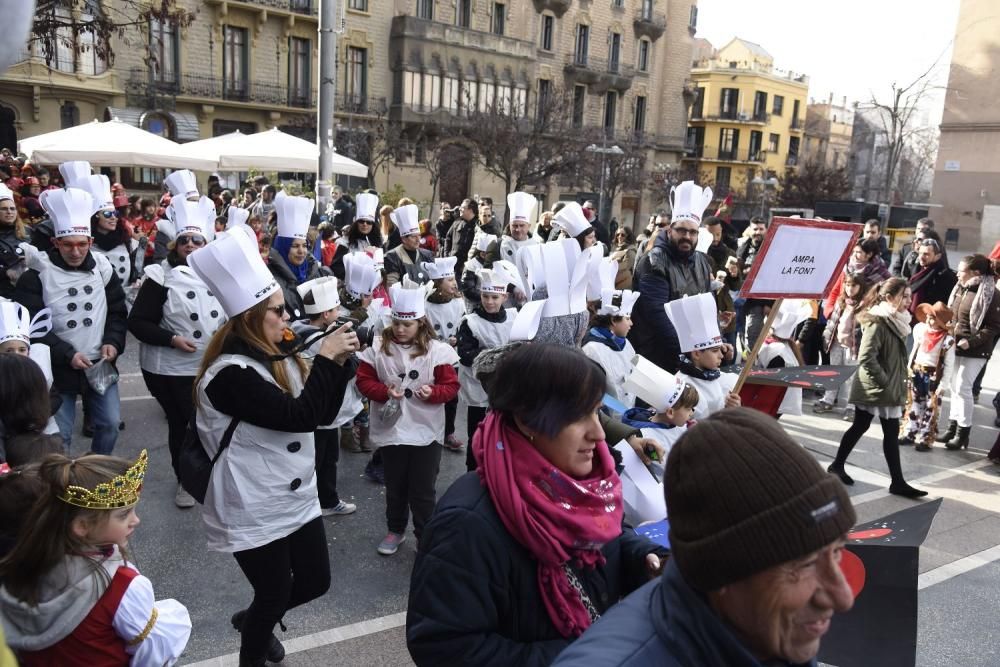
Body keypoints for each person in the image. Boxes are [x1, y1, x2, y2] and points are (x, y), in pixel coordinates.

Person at [406, 343, 668, 666]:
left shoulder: (588, 485)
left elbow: (607, 534)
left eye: (597, 411)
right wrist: (575, 656)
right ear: (527, 420)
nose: (598, 433)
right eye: (577, 415)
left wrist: (642, 558)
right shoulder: (466, 524)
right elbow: (443, 646)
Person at [551, 408, 856, 667]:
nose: (842, 597)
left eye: (837, 551)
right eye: (802, 565)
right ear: (718, 571)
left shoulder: (771, 633)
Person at [188, 226, 359, 666]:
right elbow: (296, 418)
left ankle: (253, 619)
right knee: (274, 591)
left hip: (292, 493)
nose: (287, 320)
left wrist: (340, 364)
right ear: (250, 318)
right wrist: (324, 359)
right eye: (278, 312)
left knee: (315, 581)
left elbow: (320, 415)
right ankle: (255, 644)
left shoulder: (273, 354)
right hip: (251, 498)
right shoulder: (229, 374)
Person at [0, 450, 192, 665]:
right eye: (123, 515)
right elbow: (152, 654)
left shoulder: (22, 563)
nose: (135, 520)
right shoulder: (122, 585)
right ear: (82, 525)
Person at [14, 187, 127, 456]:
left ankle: (94, 470)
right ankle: (64, 487)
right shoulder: (37, 275)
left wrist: (113, 342)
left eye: (81, 244)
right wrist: (66, 353)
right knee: (59, 436)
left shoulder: (102, 267)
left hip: (99, 363)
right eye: (68, 244)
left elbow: (117, 312)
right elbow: (30, 329)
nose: (75, 252)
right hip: (58, 367)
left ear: (89, 241)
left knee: (110, 424)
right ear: (55, 243)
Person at [127, 197, 225, 508]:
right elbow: (139, 323)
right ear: (175, 244)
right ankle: (186, 480)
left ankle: (209, 476)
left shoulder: (217, 273)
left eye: (198, 240)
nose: (191, 245)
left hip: (211, 365)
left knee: (211, 423)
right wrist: (171, 339)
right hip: (170, 368)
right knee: (184, 424)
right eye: (184, 240)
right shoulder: (160, 275)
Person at [356, 283, 460, 556]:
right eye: (397, 323)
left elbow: (451, 387)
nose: (401, 329)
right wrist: (383, 391)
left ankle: (425, 535)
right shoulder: (379, 347)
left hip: (425, 431)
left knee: (423, 489)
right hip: (392, 429)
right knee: (396, 484)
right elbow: (363, 381)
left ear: (420, 323)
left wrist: (433, 392)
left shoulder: (437, 351)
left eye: (408, 324)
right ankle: (396, 529)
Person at [828, 277, 927, 498]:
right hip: (876, 387)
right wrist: (885, 381)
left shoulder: (897, 320)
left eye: (910, 297)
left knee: (875, 429)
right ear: (889, 297)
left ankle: (840, 466)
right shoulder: (877, 321)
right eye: (904, 297)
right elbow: (866, 357)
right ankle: (896, 481)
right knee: (872, 429)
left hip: (886, 387)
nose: (908, 301)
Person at [290, 276, 359, 517]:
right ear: (327, 314)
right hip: (321, 407)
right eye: (336, 308)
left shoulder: (298, 329)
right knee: (320, 460)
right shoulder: (319, 340)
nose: (340, 312)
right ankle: (315, 504)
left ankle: (325, 500)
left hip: (317, 406)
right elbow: (347, 368)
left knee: (325, 457)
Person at [630, 183, 713, 373]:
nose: (687, 236)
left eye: (692, 232)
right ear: (669, 231)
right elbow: (656, 314)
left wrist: (717, 343)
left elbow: (706, 307)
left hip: (690, 356)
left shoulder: (702, 261)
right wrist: (691, 352)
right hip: (655, 356)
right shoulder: (654, 261)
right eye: (681, 230)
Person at [456, 269, 516, 471]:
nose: (489, 302)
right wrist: (499, 358)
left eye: (494, 297)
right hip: (478, 388)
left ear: (504, 297)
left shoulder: (514, 318)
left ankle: (497, 471)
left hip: (506, 386)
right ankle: (472, 471)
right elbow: (466, 354)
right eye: (485, 296)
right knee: (477, 433)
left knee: (503, 433)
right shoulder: (470, 322)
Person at [939, 254, 1000, 450]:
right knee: (955, 387)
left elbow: (993, 326)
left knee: (963, 387)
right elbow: (954, 315)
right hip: (956, 345)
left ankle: (962, 433)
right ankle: (952, 428)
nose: (958, 274)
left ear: (976, 273)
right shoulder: (961, 289)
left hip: (976, 350)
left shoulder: (991, 293)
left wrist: (971, 341)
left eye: (962, 271)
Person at [422, 257, 465, 453]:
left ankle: (449, 432)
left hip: (451, 355)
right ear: (438, 283)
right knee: (430, 391)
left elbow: (464, 325)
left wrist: (458, 337)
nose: (454, 283)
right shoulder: (426, 305)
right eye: (448, 279)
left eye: (453, 278)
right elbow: (423, 329)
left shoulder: (458, 303)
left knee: (451, 395)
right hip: (432, 355)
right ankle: (428, 430)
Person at [620, 356, 698, 459]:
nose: (692, 413)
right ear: (670, 412)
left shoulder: (678, 424)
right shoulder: (647, 438)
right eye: (688, 409)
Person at [815, 272, 870, 418]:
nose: (850, 288)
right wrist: (827, 337)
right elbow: (833, 322)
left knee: (852, 376)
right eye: (848, 285)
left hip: (853, 346)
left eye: (854, 285)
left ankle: (851, 406)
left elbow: (864, 328)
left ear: (861, 287)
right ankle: (828, 400)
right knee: (834, 371)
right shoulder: (841, 301)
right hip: (836, 342)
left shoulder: (864, 304)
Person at [267, 193, 329, 321]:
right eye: (295, 246)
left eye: (304, 245)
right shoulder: (269, 279)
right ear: (283, 247)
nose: (301, 251)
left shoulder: (317, 273)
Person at [903, 301, 956, 451]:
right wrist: (909, 366)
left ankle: (926, 438)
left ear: (940, 322)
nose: (928, 320)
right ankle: (910, 432)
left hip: (933, 376)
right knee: (913, 403)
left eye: (932, 318)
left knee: (930, 408)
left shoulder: (947, 340)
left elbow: (949, 364)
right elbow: (915, 349)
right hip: (917, 371)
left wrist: (943, 385)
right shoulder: (921, 330)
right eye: (928, 316)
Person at [581, 287, 640, 408]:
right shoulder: (592, 350)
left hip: (629, 416)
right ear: (613, 320)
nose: (631, 323)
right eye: (627, 318)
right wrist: (622, 415)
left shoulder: (626, 344)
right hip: (611, 422)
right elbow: (597, 395)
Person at [80, 174, 136, 286]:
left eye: (115, 213)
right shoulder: (85, 243)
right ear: (96, 216)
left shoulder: (126, 240)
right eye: (107, 213)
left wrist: (135, 280)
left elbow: (134, 270)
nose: (113, 217)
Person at [823, 239, 892, 320]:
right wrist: (829, 310)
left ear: (869, 254)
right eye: (853, 251)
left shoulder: (881, 273)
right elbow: (836, 290)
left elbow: (884, 298)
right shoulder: (847, 267)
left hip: (864, 318)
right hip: (840, 314)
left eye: (858, 252)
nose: (854, 255)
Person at [737, 216, 773, 352]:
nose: (758, 232)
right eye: (755, 229)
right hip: (742, 299)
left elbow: (774, 278)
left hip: (759, 301)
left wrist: (769, 304)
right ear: (750, 229)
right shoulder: (744, 246)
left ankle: (751, 366)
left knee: (753, 335)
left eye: (761, 229)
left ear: (766, 230)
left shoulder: (771, 248)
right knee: (740, 335)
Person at [330, 192, 382, 280]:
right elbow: (336, 268)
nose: (365, 224)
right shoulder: (345, 243)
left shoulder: (378, 243)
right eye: (361, 221)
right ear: (356, 223)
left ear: (373, 225)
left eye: (369, 222)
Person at [385, 204, 435, 287]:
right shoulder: (391, 257)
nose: (418, 239)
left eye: (419, 235)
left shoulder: (427, 255)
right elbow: (392, 285)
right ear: (404, 239)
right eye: (413, 236)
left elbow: (435, 279)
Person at [907, 238, 956, 323]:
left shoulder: (946, 276)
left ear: (938, 256)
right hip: (909, 318)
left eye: (926, 254)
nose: (921, 257)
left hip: (930, 322)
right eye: (920, 253)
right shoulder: (915, 268)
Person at [495, 192, 540, 263]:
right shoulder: (497, 245)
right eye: (514, 225)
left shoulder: (536, 246)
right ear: (509, 225)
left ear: (528, 226)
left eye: (522, 225)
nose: (518, 229)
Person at [448, 198, 479, 274]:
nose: (460, 209)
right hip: (452, 265)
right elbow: (448, 238)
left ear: (470, 210)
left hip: (467, 267)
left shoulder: (478, 226)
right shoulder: (457, 223)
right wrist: (447, 256)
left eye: (462, 207)